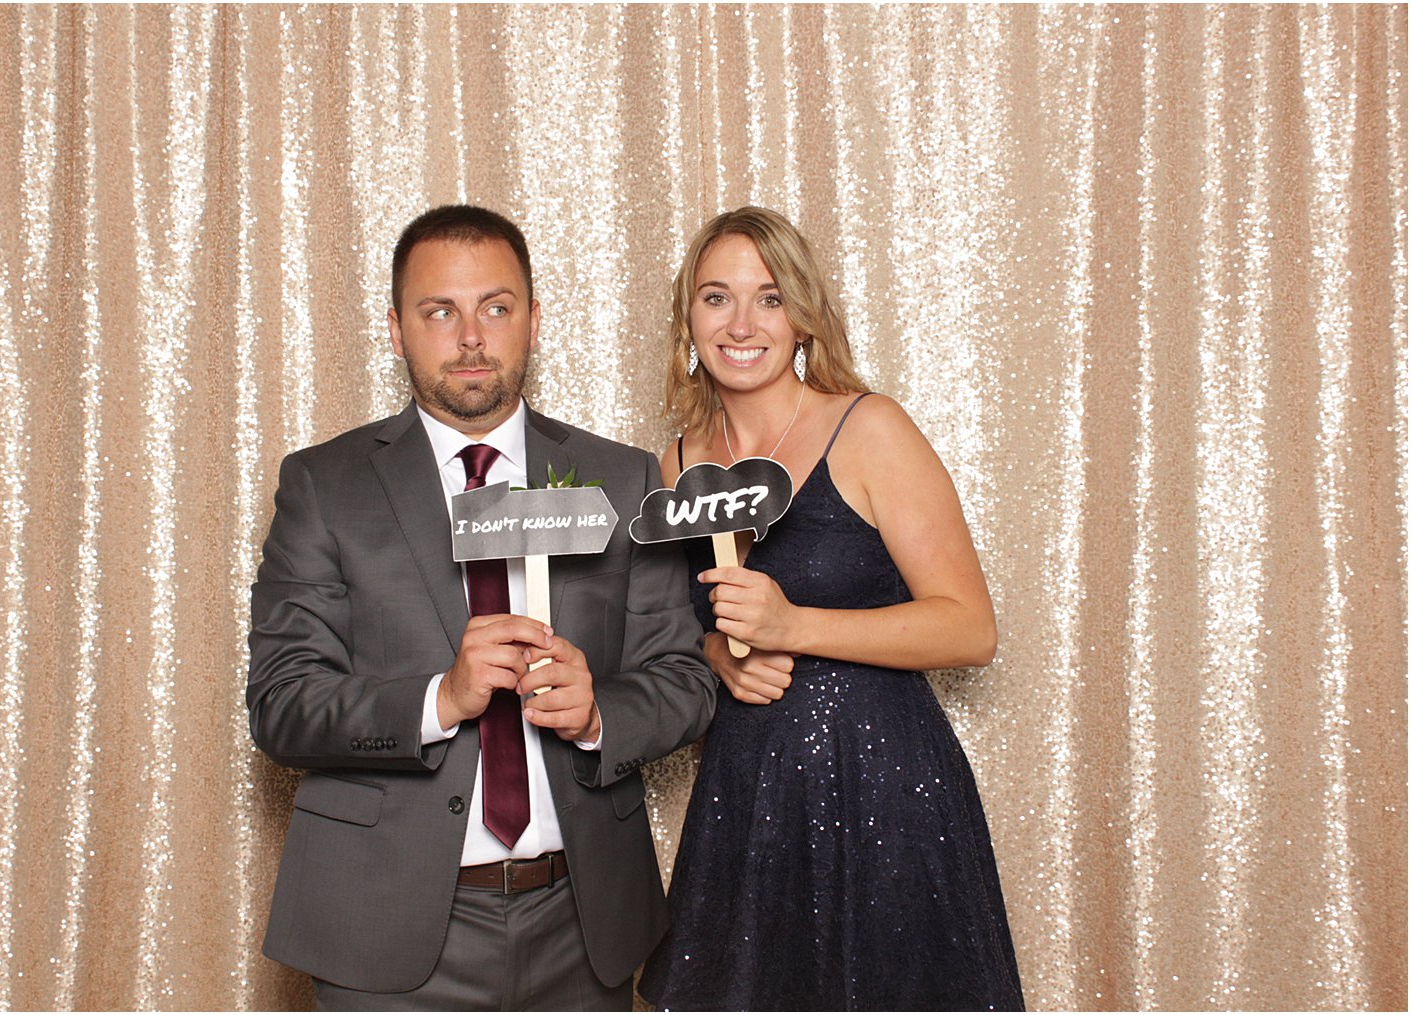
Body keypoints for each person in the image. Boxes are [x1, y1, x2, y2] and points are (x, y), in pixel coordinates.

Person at [247, 204, 715, 1010]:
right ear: (396, 329)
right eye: (440, 312)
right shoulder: (326, 485)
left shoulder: (623, 477)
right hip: (381, 929)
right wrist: (442, 698)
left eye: (495, 308)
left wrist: (600, 712)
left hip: (581, 923)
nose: (471, 337)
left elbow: (685, 677)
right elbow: (282, 704)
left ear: (533, 321)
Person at [637, 207, 1024, 1010]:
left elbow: (970, 625)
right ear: (688, 320)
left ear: (803, 318)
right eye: (717, 298)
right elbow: (695, 625)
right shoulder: (677, 463)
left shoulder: (867, 428)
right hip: (749, 798)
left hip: (882, 788)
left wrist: (796, 625)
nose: (742, 322)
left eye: (770, 298)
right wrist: (717, 654)